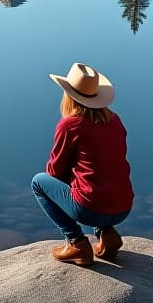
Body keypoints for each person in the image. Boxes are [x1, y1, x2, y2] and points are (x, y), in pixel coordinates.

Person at [31, 62, 133, 266]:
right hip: (123, 207)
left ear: (69, 96)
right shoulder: (115, 120)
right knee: (98, 174)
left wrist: (69, 173)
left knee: (39, 182)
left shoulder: (70, 125)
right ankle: (107, 235)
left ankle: (76, 243)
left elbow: (54, 170)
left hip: (91, 209)